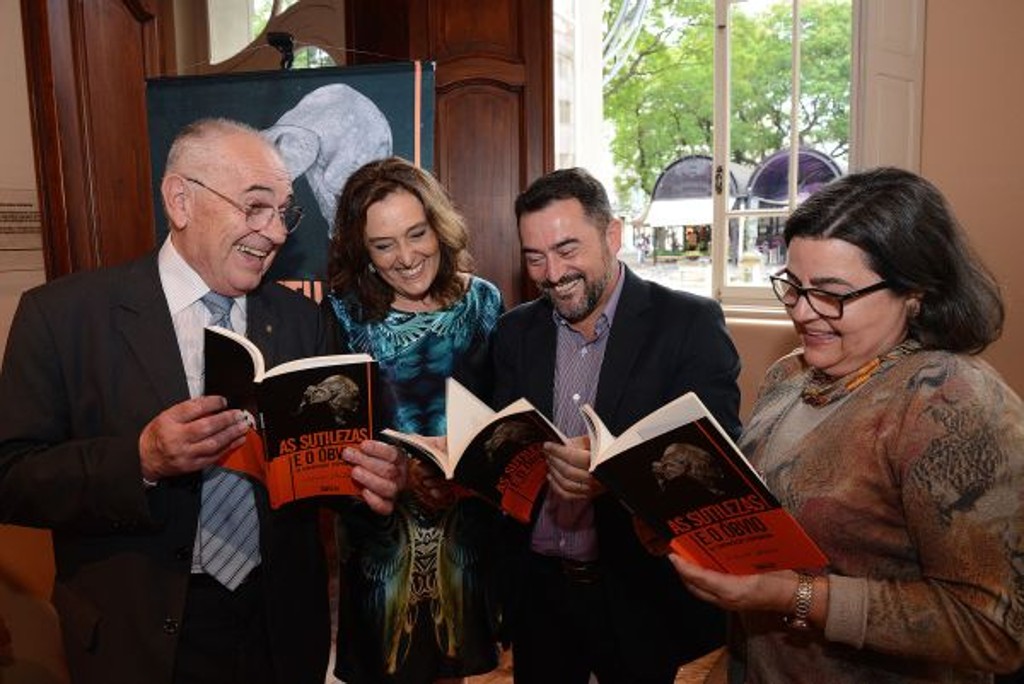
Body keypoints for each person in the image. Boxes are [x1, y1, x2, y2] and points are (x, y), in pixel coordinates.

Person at [0, 118, 407, 684]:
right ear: (181, 201)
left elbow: (332, 471)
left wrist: (372, 480)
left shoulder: (303, 322)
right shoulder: (62, 317)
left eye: (285, 212)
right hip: (139, 636)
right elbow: (12, 478)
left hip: (280, 631)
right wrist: (139, 461)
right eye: (255, 206)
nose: (276, 232)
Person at [670, 167, 1024, 683]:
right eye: (793, 285)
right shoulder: (789, 375)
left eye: (832, 292)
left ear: (916, 291)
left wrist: (796, 596)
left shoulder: (953, 401)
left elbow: (992, 629)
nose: (803, 312)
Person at [489, 167, 742, 683]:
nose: (552, 273)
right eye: (534, 257)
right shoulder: (514, 331)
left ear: (613, 235)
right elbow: (507, 444)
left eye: (567, 249)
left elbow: (715, 462)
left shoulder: (688, 324)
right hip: (538, 591)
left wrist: (614, 475)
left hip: (637, 593)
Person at [323, 156, 505, 684]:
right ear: (363, 252)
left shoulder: (484, 302)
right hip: (379, 537)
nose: (406, 258)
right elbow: (332, 435)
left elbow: (503, 417)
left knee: (456, 665)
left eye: (417, 233)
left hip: (465, 531)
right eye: (384, 245)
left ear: (439, 227)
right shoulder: (342, 313)